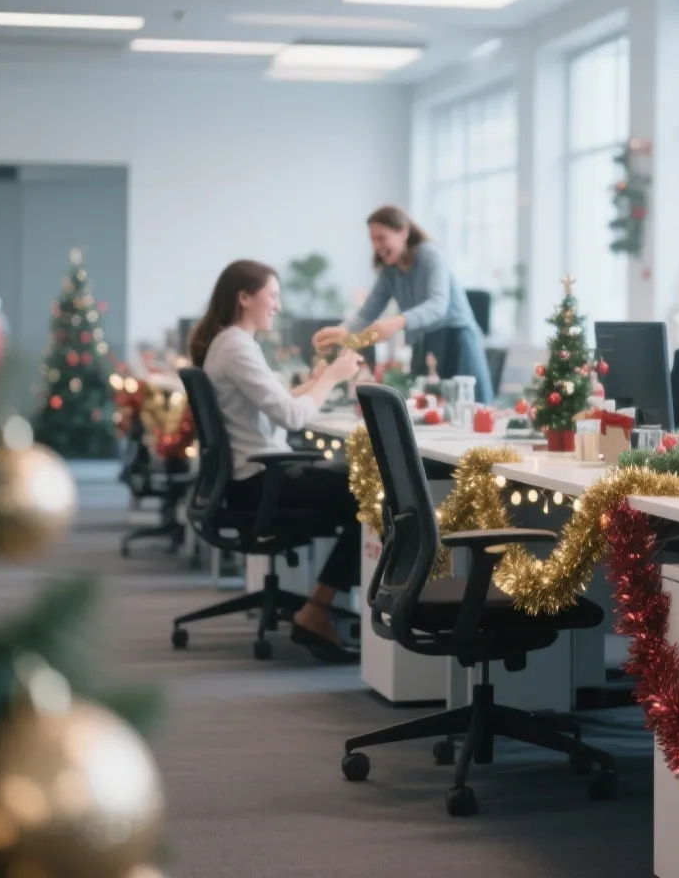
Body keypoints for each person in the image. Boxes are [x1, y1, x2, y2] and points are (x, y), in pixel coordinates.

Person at [189, 260, 366, 663]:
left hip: (250, 476)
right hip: (258, 480)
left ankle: (323, 605)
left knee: (357, 480)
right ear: (245, 297)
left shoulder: (231, 343)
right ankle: (318, 609)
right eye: (273, 295)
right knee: (371, 492)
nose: (278, 306)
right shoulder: (236, 346)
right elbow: (291, 417)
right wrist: (333, 379)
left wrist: (317, 380)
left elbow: (278, 403)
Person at [313, 206, 494, 403]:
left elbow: (438, 304)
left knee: (471, 408)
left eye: (382, 238)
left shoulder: (431, 254)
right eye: (373, 240)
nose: (377, 246)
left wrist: (396, 322)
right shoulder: (389, 271)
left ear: (403, 232)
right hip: (423, 343)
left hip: (457, 340)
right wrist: (341, 331)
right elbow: (366, 314)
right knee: (425, 408)